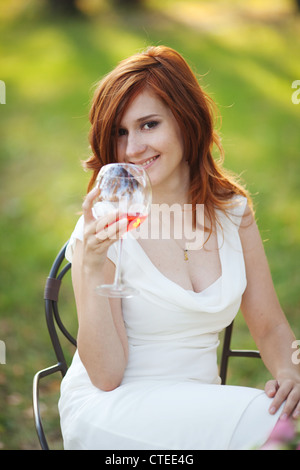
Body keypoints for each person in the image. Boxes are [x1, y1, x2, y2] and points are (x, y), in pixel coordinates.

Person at [58, 45, 300, 450]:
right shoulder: (108, 224)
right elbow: (105, 376)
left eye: (149, 125)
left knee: (283, 418)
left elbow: (272, 325)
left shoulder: (232, 213)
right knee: (276, 430)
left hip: (201, 410)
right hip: (113, 410)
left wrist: (292, 373)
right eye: (120, 132)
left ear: (187, 120)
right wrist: (90, 264)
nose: (133, 147)